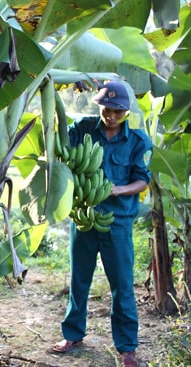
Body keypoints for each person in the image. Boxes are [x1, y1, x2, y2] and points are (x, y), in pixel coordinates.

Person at [52, 81, 152, 367]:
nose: (111, 116)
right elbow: (62, 146)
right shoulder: (83, 129)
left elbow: (142, 179)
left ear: (126, 112)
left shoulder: (137, 141)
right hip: (84, 218)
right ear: (100, 107)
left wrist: (117, 189)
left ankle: (127, 347)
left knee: (122, 285)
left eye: (117, 112)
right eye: (107, 110)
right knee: (79, 280)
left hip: (117, 222)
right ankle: (72, 334)